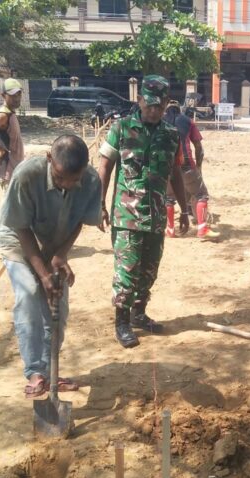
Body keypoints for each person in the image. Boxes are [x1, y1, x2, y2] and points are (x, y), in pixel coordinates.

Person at [0, 135, 102, 397]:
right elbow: (21, 228)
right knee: (30, 294)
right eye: (60, 178)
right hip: (19, 239)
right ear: (48, 159)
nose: (67, 184)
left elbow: (79, 220)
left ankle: (49, 373)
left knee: (57, 307)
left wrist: (60, 255)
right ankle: (35, 372)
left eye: (74, 179)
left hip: (54, 241)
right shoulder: (26, 176)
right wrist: (43, 274)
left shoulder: (91, 181)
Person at [96, 75, 191, 349]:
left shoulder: (171, 135)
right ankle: (122, 322)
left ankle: (138, 313)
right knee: (127, 272)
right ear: (139, 100)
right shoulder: (121, 128)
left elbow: (175, 173)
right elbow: (104, 167)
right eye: (149, 105)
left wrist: (185, 210)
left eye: (159, 106)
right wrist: (99, 204)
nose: (153, 110)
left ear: (166, 104)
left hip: (156, 216)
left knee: (149, 270)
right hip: (126, 217)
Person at [165, 108, 220, 240]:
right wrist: (199, 166)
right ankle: (202, 229)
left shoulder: (160, 121)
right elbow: (199, 147)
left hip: (167, 165)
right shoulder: (188, 121)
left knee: (168, 198)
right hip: (186, 165)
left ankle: (170, 229)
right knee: (201, 195)